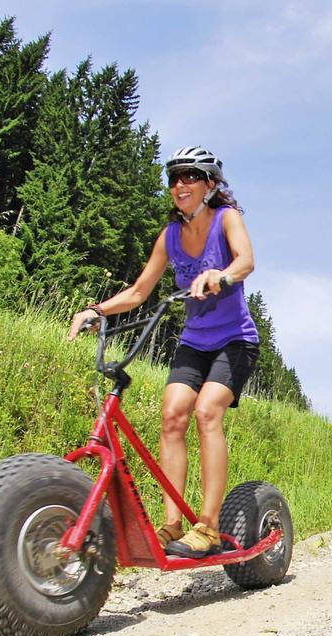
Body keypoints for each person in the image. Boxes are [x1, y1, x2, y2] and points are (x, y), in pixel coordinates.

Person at [67, 146, 261, 558]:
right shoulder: (170, 236)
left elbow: (246, 262)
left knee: (207, 412)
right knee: (172, 415)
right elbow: (139, 292)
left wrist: (220, 275)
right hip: (194, 340)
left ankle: (207, 527)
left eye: (190, 176)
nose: (179, 185)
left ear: (210, 183)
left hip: (235, 340)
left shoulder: (227, 218)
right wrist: (96, 310)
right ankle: (173, 525)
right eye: (174, 178)